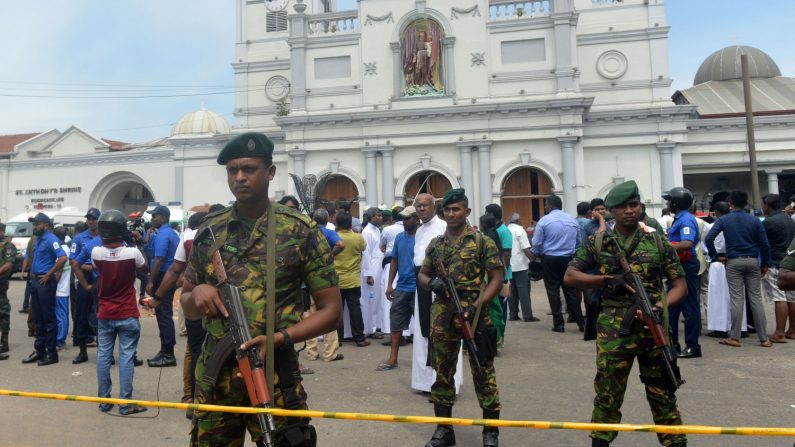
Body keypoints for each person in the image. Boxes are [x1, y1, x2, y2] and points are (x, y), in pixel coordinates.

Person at [181, 131, 341, 446]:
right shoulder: (209, 232)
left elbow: (332, 311)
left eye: (249, 169)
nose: (240, 177)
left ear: (269, 173)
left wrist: (280, 338)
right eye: (232, 170)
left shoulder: (299, 230)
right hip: (217, 382)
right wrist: (197, 292)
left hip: (274, 379)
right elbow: (186, 302)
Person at [564, 180, 688, 447]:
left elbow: (680, 286)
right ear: (610, 211)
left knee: (663, 394)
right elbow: (571, 276)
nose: (629, 211)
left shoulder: (657, 241)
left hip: (653, 330)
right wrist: (607, 280)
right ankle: (601, 442)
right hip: (614, 332)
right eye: (622, 207)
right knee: (608, 395)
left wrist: (660, 305)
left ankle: (675, 443)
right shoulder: (598, 241)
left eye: (634, 205)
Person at [419, 189, 503, 447]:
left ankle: (490, 431)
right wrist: (432, 282)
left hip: (477, 316)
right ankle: (444, 430)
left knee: (483, 371)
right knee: (443, 374)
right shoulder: (436, 245)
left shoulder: (481, 242)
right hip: (443, 315)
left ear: (466, 212)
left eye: (457, 209)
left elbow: (497, 278)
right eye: (448, 210)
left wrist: (477, 306)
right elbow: (422, 274)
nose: (452, 214)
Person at [91, 210, 149, 415]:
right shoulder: (132, 253)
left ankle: (104, 400)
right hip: (127, 312)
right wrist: (137, 242)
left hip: (105, 313)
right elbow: (145, 267)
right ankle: (125, 402)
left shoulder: (96, 252)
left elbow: (98, 268)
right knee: (126, 357)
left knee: (103, 356)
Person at [152, 210, 208, 409]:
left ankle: (191, 396)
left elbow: (173, 268)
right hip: (223, 301)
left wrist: (156, 294)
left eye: (154, 216)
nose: (152, 220)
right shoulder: (178, 235)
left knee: (194, 350)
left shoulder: (186, 236)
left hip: (191, 296)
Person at [705, 190, 772, 348]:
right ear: (746, 203)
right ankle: (764, 338)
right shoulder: (755, 220)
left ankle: (734, 337)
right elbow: (765, 244)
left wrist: (715, 256)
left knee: (737, 299)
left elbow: (709, 238)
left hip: (733, 261)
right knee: (756, 299)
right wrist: (765, 263)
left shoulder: (724, 220)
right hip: (753, 260)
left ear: (730, 203)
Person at [412, 193, 463, 394]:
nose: (421, 209)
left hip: (439, 285)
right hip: (422, 283)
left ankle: (445, 382)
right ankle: (426, 382)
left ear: (434, 207)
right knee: (424, 331)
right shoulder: (418, 231)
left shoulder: (443, 227)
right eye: (418, 206)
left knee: (442, 333)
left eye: (425, 206)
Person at [530, 195, 584, 332]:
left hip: (550, 259)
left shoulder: (544, 221)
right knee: (571, 290)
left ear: (551, 205)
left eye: (546, 205)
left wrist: (536, 254)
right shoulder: (572, 220)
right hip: (568, 258)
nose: (545, 207)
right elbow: (578, 242)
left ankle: (558, 324)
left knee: (552, 290)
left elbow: (536, 243)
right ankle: (581, 323)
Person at [21, 213, 67, 366]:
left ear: (46, 225)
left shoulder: (51, 239)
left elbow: (62, 258)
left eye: (38, 224)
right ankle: (39, 350)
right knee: (38, 318)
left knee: (48, 318)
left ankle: (51, 353)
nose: (35, 227)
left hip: (45, 282)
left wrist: (49, 274)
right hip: (36, 281)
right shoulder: (38, 240)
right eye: (34, 224)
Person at [378, 206, 419, 371]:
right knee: (396, 324)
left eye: (409, 218)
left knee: (424, 326)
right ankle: (393, 358)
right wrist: (390, 284)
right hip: (402, 286)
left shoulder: (422, 237)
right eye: (404, 218)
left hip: (419, 288)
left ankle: (428, 359)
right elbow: (394, 261)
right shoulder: (400, 238)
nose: (405, 221)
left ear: (416, 219)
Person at [663, 186, 702, 358]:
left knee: (689, 306)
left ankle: (693, 345)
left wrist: (665, 251)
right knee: (672, 306)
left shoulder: (686, 220)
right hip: (678, 265)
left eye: (669, 200)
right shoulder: (680, 218)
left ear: (676, 203)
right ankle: (673, 344)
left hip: (686, 265)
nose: (668, 203)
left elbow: (686, 243)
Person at [304, 209, 343, 363]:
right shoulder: (328, 232)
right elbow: (341, 244)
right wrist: (330, 256)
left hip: (307, 279)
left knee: (309, 316)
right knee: (329, 313)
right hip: (325, 280)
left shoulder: (307, 232)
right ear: (327, 219)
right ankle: (329, 353)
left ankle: (312, 353)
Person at [145, 204, 181, 367]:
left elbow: (158, 259)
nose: (152, 219)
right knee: (163, 313)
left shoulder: (164, 234)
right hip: (168, 276)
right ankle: (165, 350)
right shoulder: (169, 233)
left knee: (163, 314)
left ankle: (168, 354)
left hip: (163, 276)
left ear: (164, 217)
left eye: (155, 216)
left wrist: (151, 281)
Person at [704, 202, 746, 338]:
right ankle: (741, 327)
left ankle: (720, 328)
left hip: (718, 261)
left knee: (718, 297)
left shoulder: (713, 225)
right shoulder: (737, 224)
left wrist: (714, 256)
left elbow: (707, 241)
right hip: (734, 259)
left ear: (715, 212)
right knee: (737, 296)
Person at [760, 194, 795, 342]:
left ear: (768, 205)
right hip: (790, 263)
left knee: (778, 297)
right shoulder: (789, 219)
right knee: (792, 298)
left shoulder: (768, 222)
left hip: (775, 263)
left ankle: (779, 332)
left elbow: (764, 245)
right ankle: (793, 330)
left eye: (763, 204)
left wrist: (764, 263)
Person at [70, 208, 100, 358]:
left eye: (94, 218)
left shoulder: (104, 238)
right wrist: (85, 266)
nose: (91, 221)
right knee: (81, 313)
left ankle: (104, 351)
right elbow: (72, 260)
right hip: (84, 276)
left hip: (100, 277)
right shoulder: (79, 238)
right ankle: (82, 350)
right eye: (88, 218)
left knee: (101, 314)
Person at [335, 212, 369, 347]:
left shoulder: (334, 237)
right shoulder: (358, 238)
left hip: (337, 279)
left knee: (338, 310)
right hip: (353, 279)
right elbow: (364, 248)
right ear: (350, 223)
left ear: (337, 223)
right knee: (355, 308)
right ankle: (359, 338)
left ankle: (338, 339)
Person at [506, 213, 537, 322]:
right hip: (520, 265)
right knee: (523, 290)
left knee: (512, 291)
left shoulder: (506, 229)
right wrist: (534, 259)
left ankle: (513, 314)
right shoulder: (520, 230)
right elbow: (525, 248)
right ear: (518, 220)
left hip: (509, 265)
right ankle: (527, 315)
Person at [361, 207, 384, 338]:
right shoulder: (367, 232)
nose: (381, 218)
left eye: (381, 216)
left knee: (376, 299)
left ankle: (375, 325)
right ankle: (369, 328)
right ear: (371, 217)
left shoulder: (376, 230)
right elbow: (366, 254)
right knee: (370, 299)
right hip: (372, 269)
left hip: (378, 267)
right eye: (378, 216)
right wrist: (369, 274)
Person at [53, 226, 71, 350]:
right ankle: (61, 339)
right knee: (63, 314)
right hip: (64, 288)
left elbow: (58, 272)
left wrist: (52, 286)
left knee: (60, 315)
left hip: (59, 289)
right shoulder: (67, 248)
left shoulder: (60, 250)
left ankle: (60, 341)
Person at [0, 223, 15, 360]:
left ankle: (4, 342)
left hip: (0, 282)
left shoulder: (7, 246)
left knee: (3, 311)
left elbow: (9, 264)